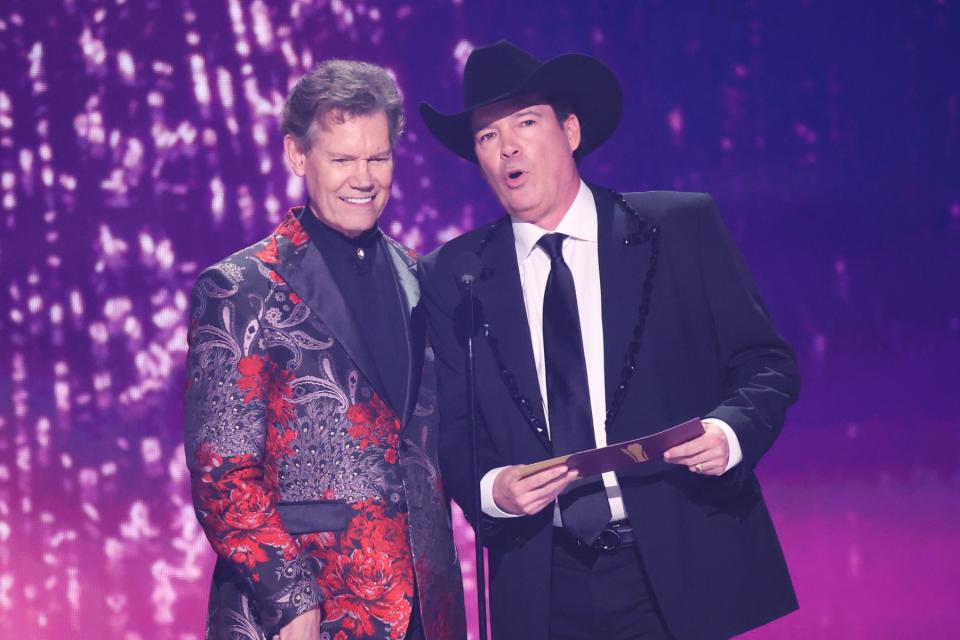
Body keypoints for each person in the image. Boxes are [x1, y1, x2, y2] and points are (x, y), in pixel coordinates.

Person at [417, 40, 800, 640]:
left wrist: (729, 433)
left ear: (570, 130)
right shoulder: (452, 274)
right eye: (487, 136)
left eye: (525, 122)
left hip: (675, 564)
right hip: (543, 579)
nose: (508, 146)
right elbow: (453, 428)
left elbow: (766, 364)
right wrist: (493, 490)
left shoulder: (677, 230)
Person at [184, 59, 466, 640]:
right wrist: (291, 599)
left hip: (424, 609)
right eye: (342, 159)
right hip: (301, 612)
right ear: (297, 155)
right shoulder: (243, 286)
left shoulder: (420, 276)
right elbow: (223, 474)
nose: (363, 178)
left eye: (378, 158)